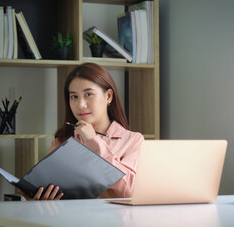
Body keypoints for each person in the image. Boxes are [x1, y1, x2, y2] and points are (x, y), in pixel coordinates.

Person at [19, 62, 144, 200]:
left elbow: (131, 190)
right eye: (74, 96)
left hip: (114, 220)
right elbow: (50, 191)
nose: (80, 105)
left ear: (108, 96)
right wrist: (38, 197)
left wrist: (94, 142)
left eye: (88, 94)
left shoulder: (132, 140)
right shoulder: (60, 142)